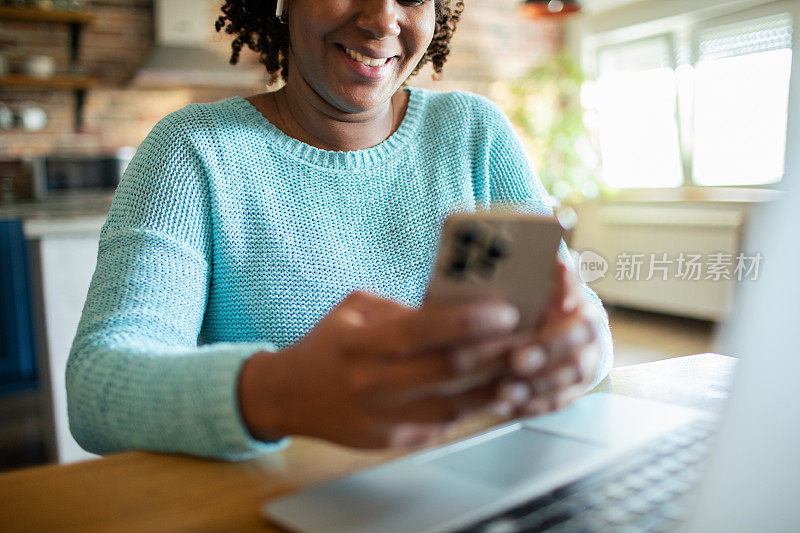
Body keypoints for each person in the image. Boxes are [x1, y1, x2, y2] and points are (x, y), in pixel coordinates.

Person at [66, 0, 613, 460]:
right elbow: (97, 386)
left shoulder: (476, 134)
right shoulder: (193, 150)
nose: (382, 19)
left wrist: (576, 345)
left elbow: (578, 312)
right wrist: (277, 394)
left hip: (476, 480)